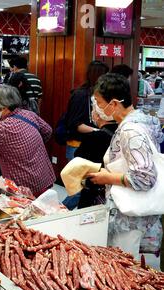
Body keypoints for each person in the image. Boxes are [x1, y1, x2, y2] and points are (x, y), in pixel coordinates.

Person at [87, 73, 164, 259]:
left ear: (113, 103)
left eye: (98, 102)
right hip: (130, 213)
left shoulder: (130, 131)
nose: (96, 107)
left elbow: (145, 177)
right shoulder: (139, 121)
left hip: (129, 217)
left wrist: (107, 177)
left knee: (124, 265)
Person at [74, 96, 118, 209]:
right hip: (117, 194)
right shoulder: (121, 131)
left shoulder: (93, 137)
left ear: (98, 115)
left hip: (95, 194)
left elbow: (78, 160)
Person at [64, 60, 109, 160]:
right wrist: (99, 131)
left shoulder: (100, 94)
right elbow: (75, 124)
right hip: (78, 145)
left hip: (94, 144)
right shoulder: (80, 95)